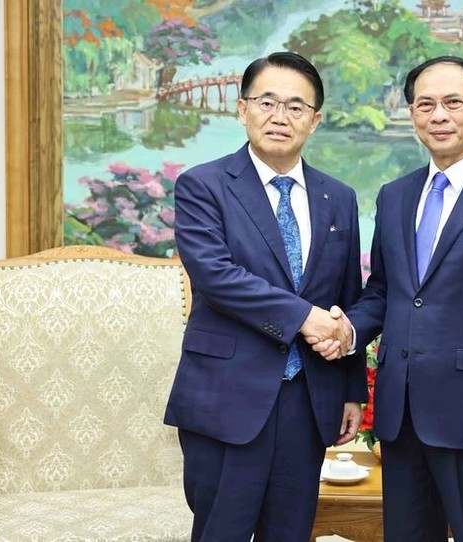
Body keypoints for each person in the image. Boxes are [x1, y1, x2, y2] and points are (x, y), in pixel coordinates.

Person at [316, 56, 463, 541]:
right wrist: (346, 332)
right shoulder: (395, 195)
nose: (438, 115)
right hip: (401, 414)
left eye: (453, 102)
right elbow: (384, 292)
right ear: (411, 115)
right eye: (424, 105)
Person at [164, 51, 366, 542]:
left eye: (296, 107)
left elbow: (346, 294)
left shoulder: (337, 196)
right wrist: (304, 319)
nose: (281, 116)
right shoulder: (204, 185)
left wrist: (352, 390)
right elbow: (216, 275)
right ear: (242, 108)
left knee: (292, 532)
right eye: (268, 101)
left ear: (315, 121)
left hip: (309, 398)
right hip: (227, 396)